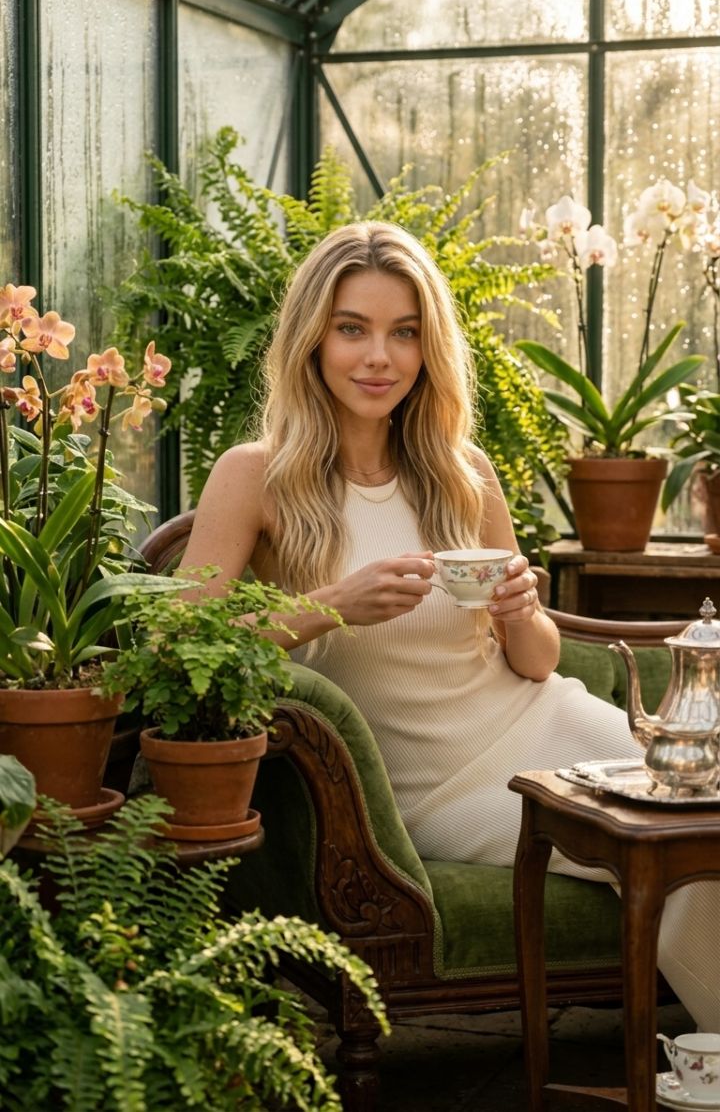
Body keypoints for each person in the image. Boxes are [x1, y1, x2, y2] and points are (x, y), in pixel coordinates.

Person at [183, 220, 719, 1031]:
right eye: (352, 329)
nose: (379, 358)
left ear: (428, 347)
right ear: (311, 340)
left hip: (547, 718)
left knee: (701, 832)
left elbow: (536, 663)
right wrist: (335, 604)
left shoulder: (462, 472)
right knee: (675, 852)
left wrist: (522, 610)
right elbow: (183, 641)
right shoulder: (255, 475)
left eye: (404, 333)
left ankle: (700, 1054)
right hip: (438, 787)